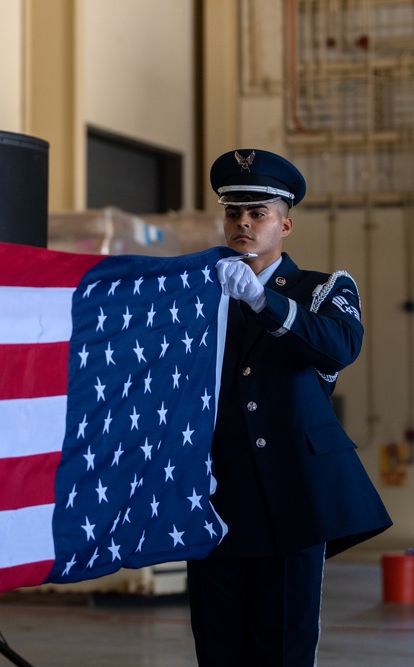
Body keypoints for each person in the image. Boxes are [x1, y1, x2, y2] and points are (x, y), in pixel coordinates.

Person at [186, 148, 392, 666]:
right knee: (217, 647)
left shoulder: (322, 289)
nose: (244, 223)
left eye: (259, 213)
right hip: (217, 498)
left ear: (286, 224)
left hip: (292, 497)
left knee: (282, 649)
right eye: (234, 212)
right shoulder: (201, 296)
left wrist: (264, 300)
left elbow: (338, 346)